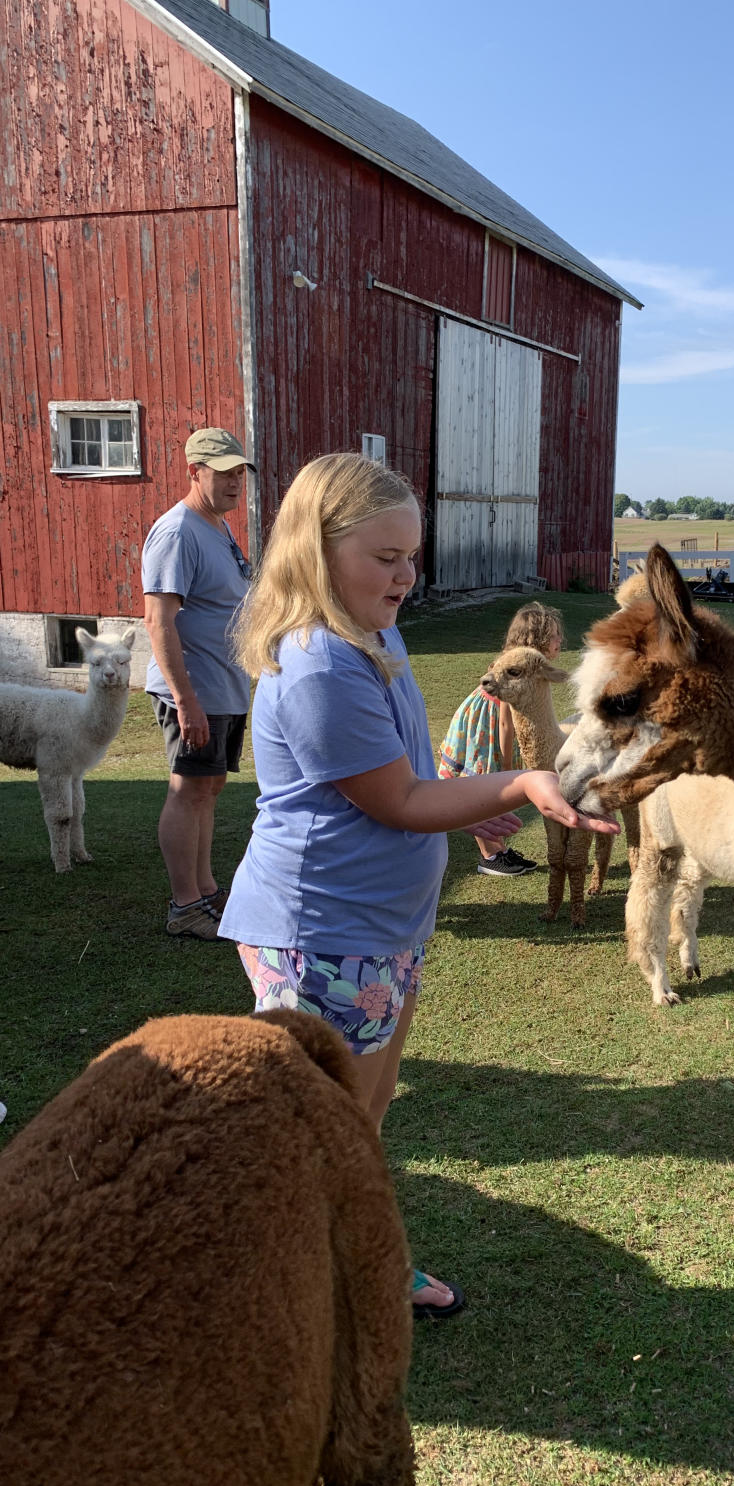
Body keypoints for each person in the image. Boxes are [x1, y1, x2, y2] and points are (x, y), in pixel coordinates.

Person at [217, 453, 616, 1317]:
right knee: (323, 1126)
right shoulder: (321, 663)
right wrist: (517, 786)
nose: (405, 575)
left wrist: (477, 795)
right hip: (324, 931)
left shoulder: (375, 632)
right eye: (383, 556)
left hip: (379, 925)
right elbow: (398, 800)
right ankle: (305, 1283)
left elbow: (406, 770)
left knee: (366, 1109)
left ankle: (341, 1263)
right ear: (316, 550)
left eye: (412, 555)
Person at [142, 427, 255, 940]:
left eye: (239, 472)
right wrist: (185, 701)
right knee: (188, 791)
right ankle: (185, 905)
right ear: (194, 471)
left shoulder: (218, 527)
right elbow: (158, 620)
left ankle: (206, 890)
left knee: (209, 788)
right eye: (224, 472)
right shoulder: (178, 531)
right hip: (196, 691)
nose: (236, 482)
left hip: (224, 687)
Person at [437, 600, 566, 877]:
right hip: (489, 726)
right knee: (488, 786)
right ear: (537, 638)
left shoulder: (526, 665)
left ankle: (499, 849)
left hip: (488, 720)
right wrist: (508, 767)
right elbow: (506, 722)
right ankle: (490, 855)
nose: (560, 640)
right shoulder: (515, 667)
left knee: (492, 790)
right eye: (554, 635)